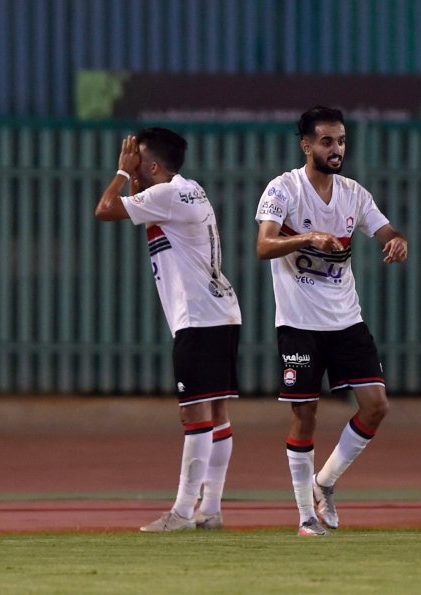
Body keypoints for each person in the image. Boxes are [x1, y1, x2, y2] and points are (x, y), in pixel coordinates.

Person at [255, 106, 408, 536]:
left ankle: (325, 482)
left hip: (346, 320)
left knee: (376, 406)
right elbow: (264, 246)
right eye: (326, 141)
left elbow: (387, 231)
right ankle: (306, 516)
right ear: (306, 146)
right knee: (305, 417)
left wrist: (398, 243)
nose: (336, 148)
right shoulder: (283, 189)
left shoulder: (353, 193)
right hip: (299, 323)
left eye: (340, 140)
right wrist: (307, 238)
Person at [95, 128, 241, 532]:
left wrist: (122, 174)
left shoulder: (165, 195)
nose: (132, 161)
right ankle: (210, 510)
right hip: (221, 312)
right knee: (216, 411)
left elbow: (105, 209)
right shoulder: (188, 188)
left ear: (154, 165)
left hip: (199, 317)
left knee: (194, 413)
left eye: (138, 157)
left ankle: (181, 512)